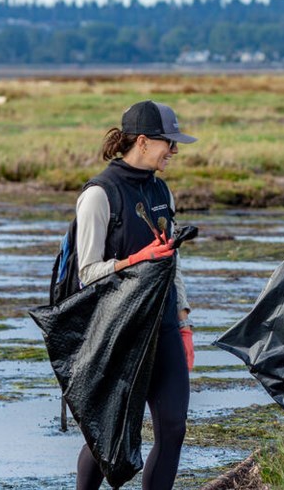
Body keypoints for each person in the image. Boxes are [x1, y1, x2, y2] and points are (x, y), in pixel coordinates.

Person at [75, 100, 197, 490]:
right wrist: (135, 259)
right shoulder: (98, 194)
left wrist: (184, 323)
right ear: (142, 142)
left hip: (162, 328)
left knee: (174, 427)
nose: (174, 151)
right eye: (168, 143)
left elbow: (170, 263)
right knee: (105, 436)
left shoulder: (163, 191)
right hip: (116, 333)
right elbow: (87, 274)